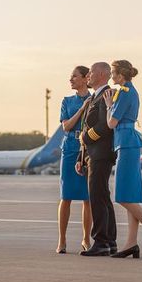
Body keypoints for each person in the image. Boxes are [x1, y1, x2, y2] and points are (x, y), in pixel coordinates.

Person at [100, 59, 142, 259]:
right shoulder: (126, 91)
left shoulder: (124, 93)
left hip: (127, 143)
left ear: (121, 75)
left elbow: (112, 123)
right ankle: (131, 244)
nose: (111, 77)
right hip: (126, 143)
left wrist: (108, 105)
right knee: (129, 196)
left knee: (122, 196)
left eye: (113, 73)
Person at [77, 62, 118, 257]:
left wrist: (85, 138)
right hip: (93, 154)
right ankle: (109, 241)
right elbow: (87, 126)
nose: (88, 76)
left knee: (97, 198)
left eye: (91, 72)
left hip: (101, 154)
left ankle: (101, 241)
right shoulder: (95, 97)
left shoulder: (106, 95)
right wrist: (81, 156)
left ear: (101, 74)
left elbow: (104, 126)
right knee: (102, 197)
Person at [55, 66, 93, 254]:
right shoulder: (67, 101)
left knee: (88, 197)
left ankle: (86, 238)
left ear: (86, 78)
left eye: (74, 77)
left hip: (89, 148)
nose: (70, 80)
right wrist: (81, 110)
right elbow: (66, 126)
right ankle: (62, 240)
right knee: (66, 196)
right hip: (70, 147)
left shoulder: (96, 98)